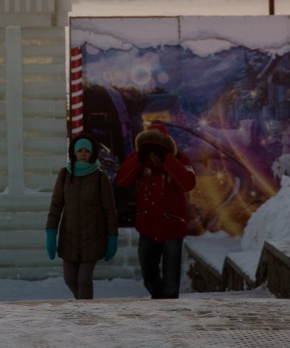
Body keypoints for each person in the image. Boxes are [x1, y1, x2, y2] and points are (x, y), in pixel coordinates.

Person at [115, 122, 196, 299]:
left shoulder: (181, 159)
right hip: (147, 228)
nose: (153, 151)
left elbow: (188, 184)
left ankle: (168, 314)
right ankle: (160, 302)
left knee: (171, 282)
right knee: (148, 277)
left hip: (172, 229)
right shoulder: (138, 160)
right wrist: (139, 156)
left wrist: (167, 158)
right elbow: (122, 180)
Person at [45, 132, 119, 300]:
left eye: (87, 150)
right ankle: (84, 308)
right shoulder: (65, 175)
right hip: (69, 236)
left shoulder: (100, 177)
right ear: (74, 152)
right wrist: (51, 232)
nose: (84, 153)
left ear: (92, 153)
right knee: (70, 279)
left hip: (93, 236)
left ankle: (85, 315)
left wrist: (112, 237)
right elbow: (56, 205)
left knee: (84, 279)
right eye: (80, 150)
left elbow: (109, 209)